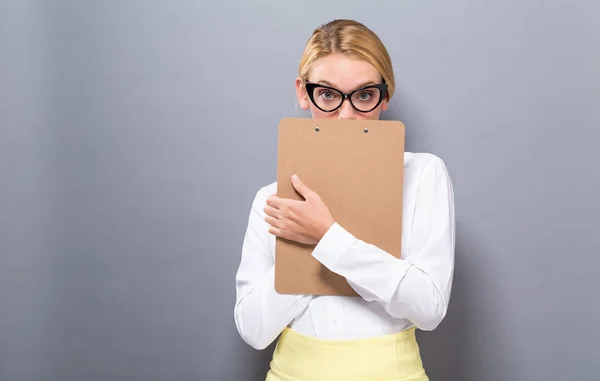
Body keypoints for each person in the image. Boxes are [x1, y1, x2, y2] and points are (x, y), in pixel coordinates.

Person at [234, 19, 455, 381]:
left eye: (364, 95)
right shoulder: (272, 199)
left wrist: (327, 236)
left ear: (385, 96)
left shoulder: (422, 175)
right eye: (328, 94)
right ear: (304, 93)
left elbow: (428, 309)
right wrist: (306, 237)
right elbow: (254, 330)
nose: (346, 115)